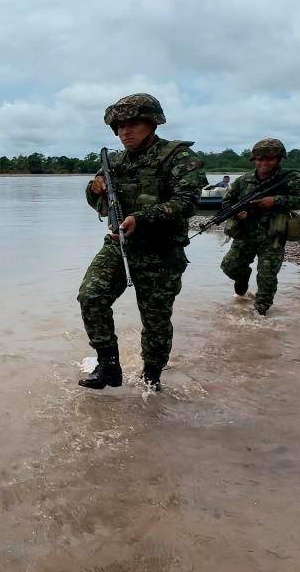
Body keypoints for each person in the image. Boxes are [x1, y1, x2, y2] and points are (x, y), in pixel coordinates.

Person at [77, 93, 206, 392]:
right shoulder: (115, 161)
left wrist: (142, 218)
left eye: (133, 124)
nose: (125, 131)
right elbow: (95, 201)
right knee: (91, 296)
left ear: (152, 123)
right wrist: (94, 189)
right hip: (119, 245)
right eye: (120, 126)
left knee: (156, 321)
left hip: (161, 252)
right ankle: (108, 366)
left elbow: (187, 203)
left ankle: (152, 378)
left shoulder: (178, 158)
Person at [218, 139, 300, 315]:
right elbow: (227, 201)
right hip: (246, 232)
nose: (264, 163)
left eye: (270, 159)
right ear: (254, 160)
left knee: (267, 276)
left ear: (279, 159)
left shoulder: (290, 178)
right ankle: (243, 278)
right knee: (229, 266)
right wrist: (235, 213)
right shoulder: (244, 180)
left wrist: (276, 201)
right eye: (260, 159)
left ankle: (261, 314)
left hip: (273, 234)